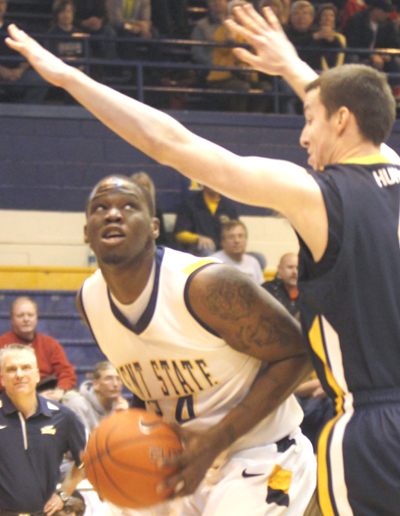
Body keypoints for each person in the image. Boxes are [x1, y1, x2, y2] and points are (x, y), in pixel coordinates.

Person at [6, 10, 400, 515]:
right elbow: (359, 107)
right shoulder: (390, 166)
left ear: (341, 120)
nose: (303, 138)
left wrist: (69, 78)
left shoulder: (320, 195)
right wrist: (292, 67)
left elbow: (170, 143)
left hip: (372, 420)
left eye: (309, 119)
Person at [75, 174, 316, 516]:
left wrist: (215, 440)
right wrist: (115, 447)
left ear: (155, 227)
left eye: (129, 206)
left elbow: (299, 353)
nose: (113, 214)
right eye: (100, 208)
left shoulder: (206, 285)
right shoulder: (89, 301)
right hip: (177, 461)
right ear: (86, 231)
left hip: (259, 454)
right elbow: (149, 383)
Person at [0, 344, 86, 514]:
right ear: (2, 378)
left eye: (26, 368)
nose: (19, 375)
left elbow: (84, 462)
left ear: (37, 375)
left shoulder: (64, 417)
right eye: (11, 369)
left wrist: (63, 494)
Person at [0, 296, 77, 401]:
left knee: (76, 400)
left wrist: (59, 391)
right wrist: (33, 396)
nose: (26, 319)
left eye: (30, 315)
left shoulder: (50, 343)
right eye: (20, 316)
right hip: (15, 395)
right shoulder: (2, 344)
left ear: (36, 318)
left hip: (50, 392)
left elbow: (66, 372)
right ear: (12, 319)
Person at [65, 361, 129, 434]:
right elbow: (85, 443)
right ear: (96, 384)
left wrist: (124, 418)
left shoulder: (120, 407)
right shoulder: (78, 406)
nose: (115, 384)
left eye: (118, 379)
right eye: (109, 379)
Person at [344, 0, 400, 82]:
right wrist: (371, 54)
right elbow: (352, 43)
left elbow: (393, 43)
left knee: (396, 63)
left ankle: (394, 91)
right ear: (375, 10)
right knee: (353, 59)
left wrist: (387, 54)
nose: (388, 14)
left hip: (380, 57)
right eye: (385, 11)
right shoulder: (357, 20)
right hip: (360, 55)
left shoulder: (388, 23)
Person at [174, 185, 238, 256]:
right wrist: (198, 238)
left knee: (250, 255)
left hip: (223, 251)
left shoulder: (229, 208)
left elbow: (237, 230)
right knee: (207, 248)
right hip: (198, 251)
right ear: (203, 182)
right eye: (210, 180)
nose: (213, 184)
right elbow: (179, 234)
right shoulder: (189, 204)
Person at [212, 219, 265, 284]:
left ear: (246, 240)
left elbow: (260, 290)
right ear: (223, 242)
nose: (237, 241)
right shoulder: (213, 263)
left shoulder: (253, 262)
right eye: (231, 237)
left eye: (240, 236)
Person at [131, 170, 169, 247]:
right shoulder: (126, 212)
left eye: (145, 185)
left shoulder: (156, 213)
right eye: (139, 185)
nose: (143, 188)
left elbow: (162, 241)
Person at [262, 252, 299, 318]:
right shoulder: (267, 290)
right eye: (290, 267)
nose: (295, 272)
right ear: (279, 269)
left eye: (298, 268)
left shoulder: (309, 293)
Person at [312, 3, 346, 70]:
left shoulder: (340, 37)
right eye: (324, 15)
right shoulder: (315, 36)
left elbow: (340, 58)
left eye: (331, 15)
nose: (328, 18)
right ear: (319, 19)